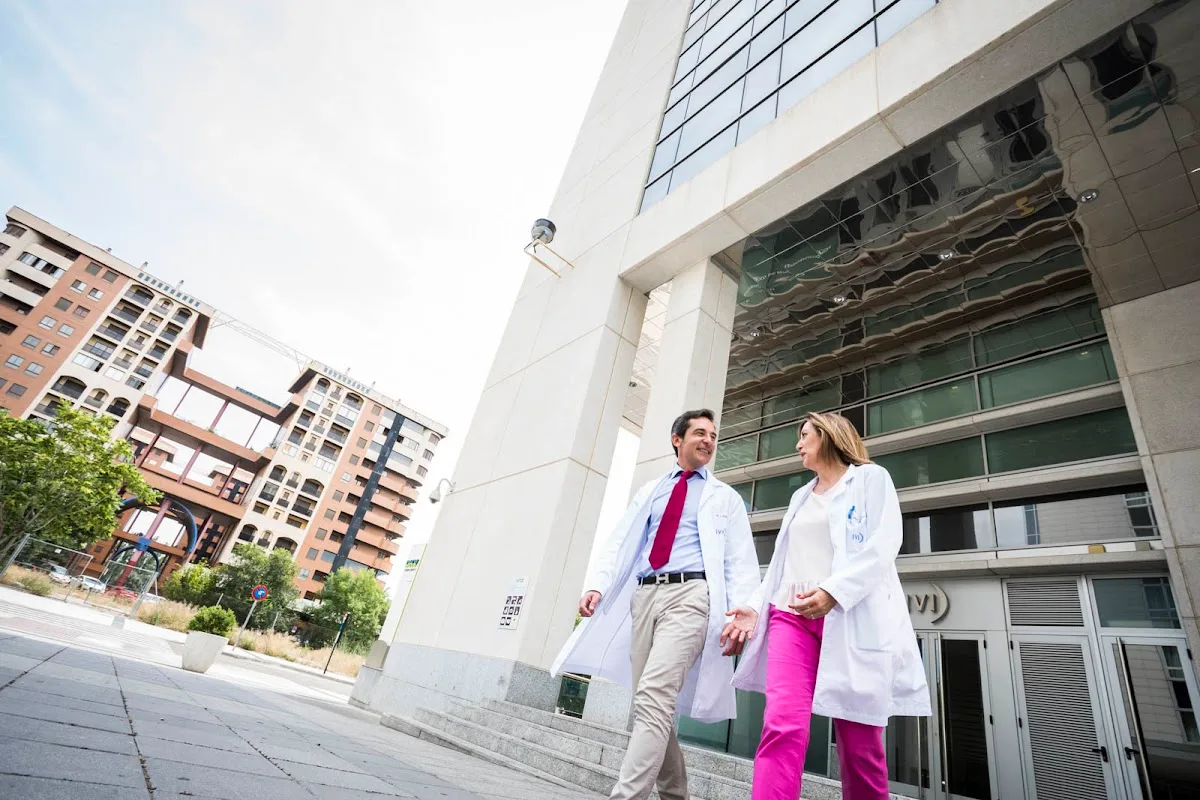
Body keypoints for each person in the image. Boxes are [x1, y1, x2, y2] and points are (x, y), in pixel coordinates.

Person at [551, 409, 760, 800]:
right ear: (677, 439)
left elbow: (740, 560)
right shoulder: (651, 490)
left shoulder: (725, 498)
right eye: (700, 433)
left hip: (691, 596)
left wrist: (747, 610)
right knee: (650, 704)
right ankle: (675, 795)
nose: (709, 440)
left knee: (654, 695)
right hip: (645, 596)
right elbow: (620, 542)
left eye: (713, 435)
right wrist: (598, 585)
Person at [724, 411, 930, 800]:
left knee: (860, 744)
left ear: (829, 435)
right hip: (791, 617)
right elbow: (782, 564)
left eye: (805, 435)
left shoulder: (870, 479)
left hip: (851, 616)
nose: (798, 444)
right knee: (782, 725)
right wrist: (755, 606)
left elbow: (884, 543)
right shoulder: (800, 496)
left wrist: (834, 591)